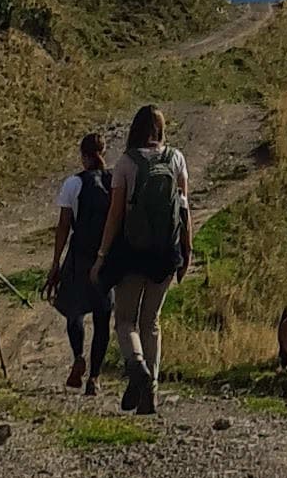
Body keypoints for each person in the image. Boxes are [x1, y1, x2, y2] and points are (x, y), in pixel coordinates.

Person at [91, 100, 192, 413]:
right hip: (166, 253)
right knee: (152, 323)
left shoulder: (126, 163)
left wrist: (102, 255)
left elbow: (115, 215)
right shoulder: (176, 159)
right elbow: (185, 209)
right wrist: (187, 251)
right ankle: (153, 391)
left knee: (125, 321)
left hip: (132, 253)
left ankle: (137, 368)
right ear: (161, 130)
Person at [48, 128, 113, 394]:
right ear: (103, 153)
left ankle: (78, 357)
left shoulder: (73, 184)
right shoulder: (114, 182)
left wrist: (55, 263)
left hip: (78, 257)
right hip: (106, 258)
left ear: (83, 156)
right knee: (102, 317)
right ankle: (95, 377)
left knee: (74, 311)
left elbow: (64, 226)